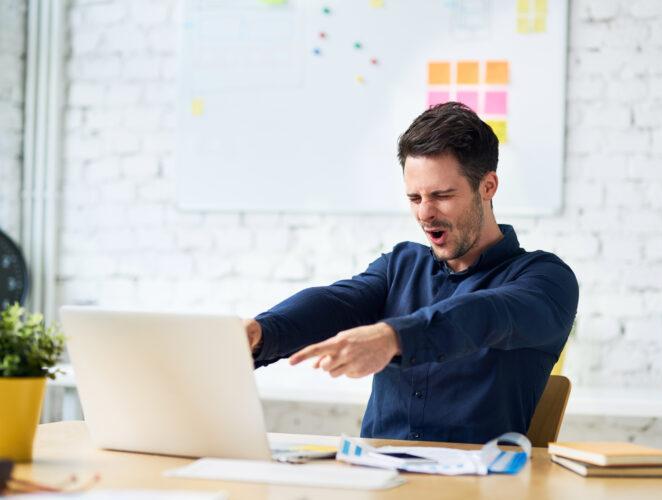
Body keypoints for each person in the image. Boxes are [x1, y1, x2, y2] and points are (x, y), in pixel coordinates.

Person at [244, 102, 578, 444]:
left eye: (442, 195)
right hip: (377, 479)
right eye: (414, 197)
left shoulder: (546, 280)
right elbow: (338, 302)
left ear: (488, 186)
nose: (425, 213)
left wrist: (394, 338)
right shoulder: (400, 265)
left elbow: (485, 316)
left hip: (478, 486)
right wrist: (261, 331)